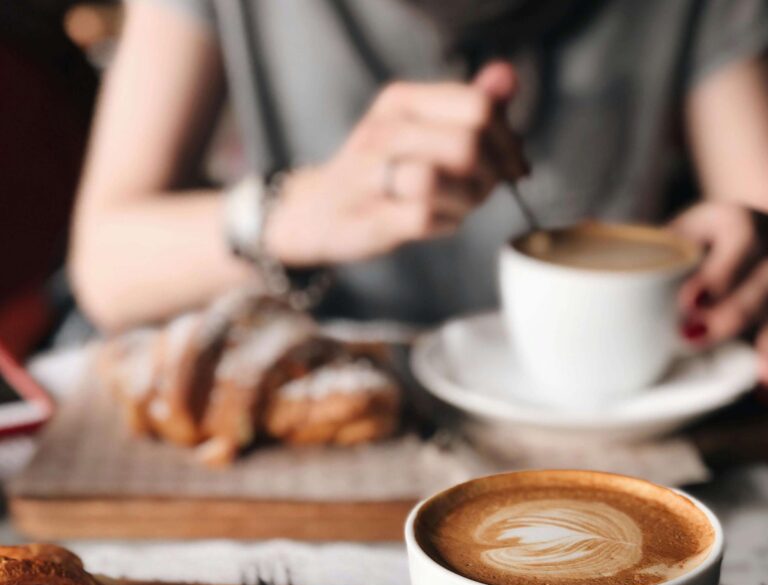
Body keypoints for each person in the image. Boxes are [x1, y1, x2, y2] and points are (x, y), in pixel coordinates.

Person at [70, 0, 768, 381]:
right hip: (329, 414)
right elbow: (106, 265)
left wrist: (742, 256)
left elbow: (754, 211)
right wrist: (302, 213)